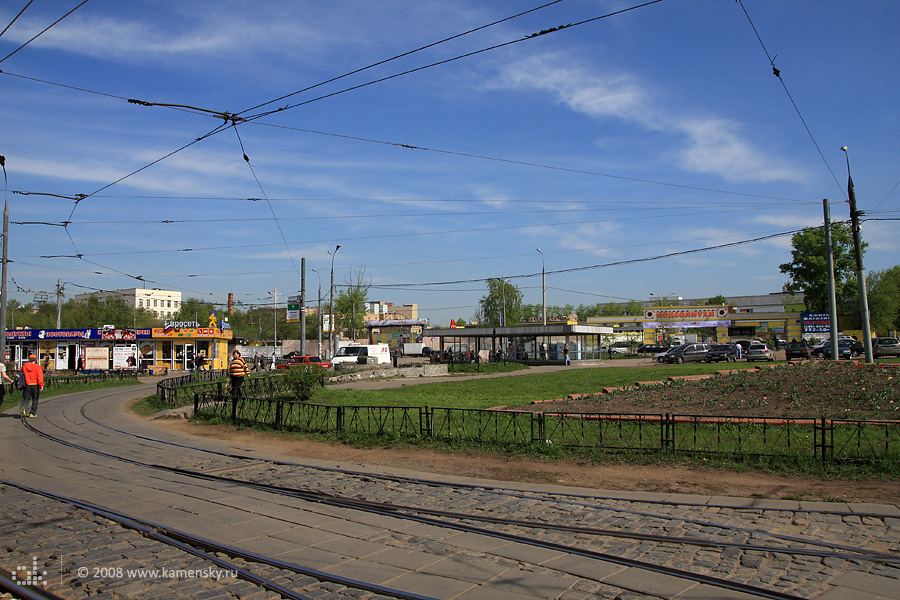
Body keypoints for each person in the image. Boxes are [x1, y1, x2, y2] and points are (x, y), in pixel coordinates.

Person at [20, 353, 44, 418]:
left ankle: (23, 407)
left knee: (26, 398)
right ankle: (32, 413)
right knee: (35, 399)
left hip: (27, 384)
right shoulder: (37, 367)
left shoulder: (24, 366)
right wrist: (41, 385)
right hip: (35, 385)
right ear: (35, 360)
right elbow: (40, 377)